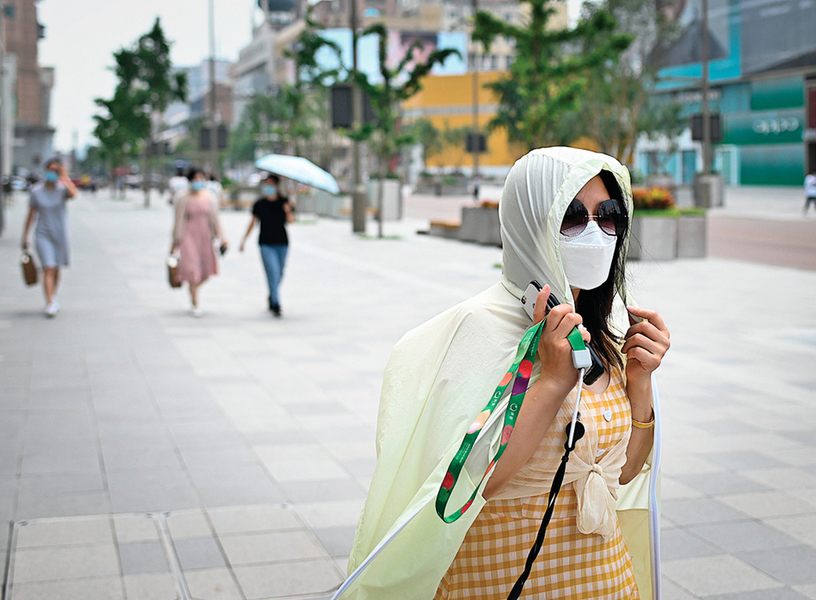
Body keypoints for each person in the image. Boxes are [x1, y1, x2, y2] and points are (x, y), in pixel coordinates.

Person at [343, 147, 671, 600]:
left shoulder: (603, 332)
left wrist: (640, 383)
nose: (595, 232)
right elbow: (470, 486)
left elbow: (625, 471)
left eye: (608, 215)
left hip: (605, 579)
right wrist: (553, 382)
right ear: (530, 223)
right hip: (503, 578)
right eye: (572, 216)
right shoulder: (479, 330)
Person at [21, 158, 78, 317]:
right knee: (48, 267)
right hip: (42, 234)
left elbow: (74, 194)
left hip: (59, 234)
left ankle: (53, 296)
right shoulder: (36, 191)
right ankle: (50, 301)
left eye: (56, 171)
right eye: (50, 170)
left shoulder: (62, 189)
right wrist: (25, 236)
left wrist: (64, 176)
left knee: (57, 268)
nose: (52, 174)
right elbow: (30, 216)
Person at [171, 167, 228, 317]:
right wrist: (175, 242)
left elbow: (216, 219)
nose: (198, 182)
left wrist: (222, 237)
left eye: (200, 179)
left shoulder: (209, 197)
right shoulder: (183, 198)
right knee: (192, 269)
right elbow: (178, 221)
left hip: (205, 237)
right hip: (188, 238)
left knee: (206, 271)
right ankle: (195, 302)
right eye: (195, 179)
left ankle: (193, 288)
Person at [239, 173, 293, 317]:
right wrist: (244, 239)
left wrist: (288, 209)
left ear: (277, 186)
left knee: (280, 273)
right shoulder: (260, 204)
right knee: (272, 272)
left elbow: (291, 221)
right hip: (266, 243)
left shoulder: (283, 202)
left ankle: (272, 294)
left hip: (282, 243)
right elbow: (253, 222)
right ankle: (276, 303)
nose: (268, 186)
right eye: (266, 184)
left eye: (271, 184)